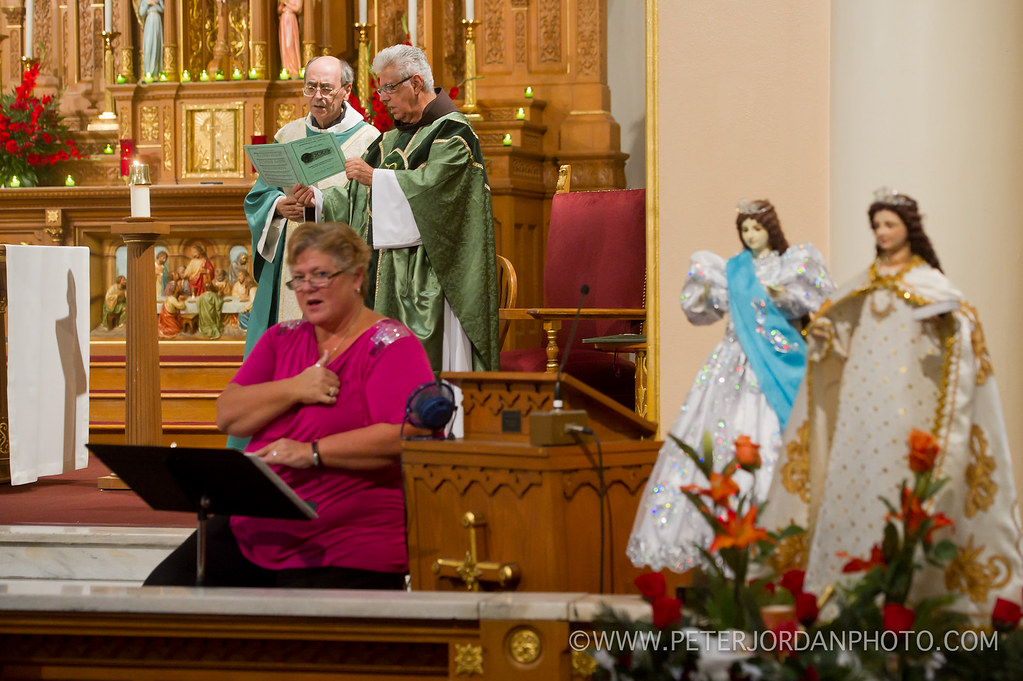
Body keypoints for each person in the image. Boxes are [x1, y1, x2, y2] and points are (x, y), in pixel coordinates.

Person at [759, 188, 1023, 616]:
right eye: (877, 226)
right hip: (862, 413)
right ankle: (842, 593)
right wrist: (827, 338)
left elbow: (960, 328)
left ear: (908, 229)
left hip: (909, 409)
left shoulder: (929, 284)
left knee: (899, 488)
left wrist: (945, 323)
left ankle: (906, 597)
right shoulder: (863, 286)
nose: (881, 233)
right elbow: (842, 339)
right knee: (855, 486)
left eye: (889, 225)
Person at [144, 222, 434, 588]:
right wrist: (296, 387)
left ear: (357, 277)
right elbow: (228, 415)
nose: (308, 287)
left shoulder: (391, 344)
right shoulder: (281, 339)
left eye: (320, 275)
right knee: (163, 593)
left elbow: (407, 434)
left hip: (345, 539)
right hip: (255, 526)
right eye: (298, 278)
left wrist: (312, 452)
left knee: (291, 635)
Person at [627, 200, 835, 573]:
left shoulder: (789, 266)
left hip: (778, 362)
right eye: (745, 230)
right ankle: (720, 541)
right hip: (732, 365)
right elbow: (701, 310)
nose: (751, 236)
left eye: (757, 228)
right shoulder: (730, 270)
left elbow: (803, 302)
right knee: (722, 436)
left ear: (771, 228)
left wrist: (774, 295)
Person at [311, 45, 499, 374]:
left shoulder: (453, 134)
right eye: (379, 88)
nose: (381, 97)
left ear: (414, 83)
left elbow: (436, 194)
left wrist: (377, 179)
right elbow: (356, 198)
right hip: (384, 280)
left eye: (388, 87)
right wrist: (318, 200)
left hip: (428, 279)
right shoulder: (389, 140)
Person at [243, 56, 379, 358]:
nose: (317, 96)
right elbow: (258, 196)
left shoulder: (369, 140)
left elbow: (367, 207)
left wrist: (320, 203)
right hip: (291, 256)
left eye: (327, 89)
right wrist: (279, 206)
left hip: (338, 261)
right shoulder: (287, 135)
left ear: (346, 90)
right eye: (311, 87)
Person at [138, 0, 164, 79]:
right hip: (149, 21)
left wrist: (155, 5)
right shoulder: (145, 1)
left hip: (157, 20)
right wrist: (148, 3)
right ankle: (148, 71)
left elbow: (162, 9)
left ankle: (156, 72)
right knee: (148, 46)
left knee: (156, 46)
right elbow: (141, 12)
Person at [277, 0, 302, 78]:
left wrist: (287, 3)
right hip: (283, 19)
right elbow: (279, 10)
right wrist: (281, 5)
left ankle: (294, 69)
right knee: (284, 45)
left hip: (291, 19)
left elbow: (298, 9)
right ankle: (286, 67)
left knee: (290, 44)